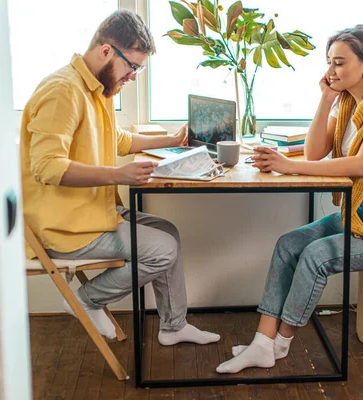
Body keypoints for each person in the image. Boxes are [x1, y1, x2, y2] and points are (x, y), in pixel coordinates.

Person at [216, 25, 363, 374]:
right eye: (329, 62)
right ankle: (262, 344)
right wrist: (326, 98)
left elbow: (362, 164)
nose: (331, 71)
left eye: (339, 63)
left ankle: (280, 344)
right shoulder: (349, 100)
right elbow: (316, 152)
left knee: (318, 255)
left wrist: (289, 165)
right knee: (290, 244)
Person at [20, 10, 220, 346]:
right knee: (163, 249)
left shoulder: (95, 89)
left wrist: (170, 141)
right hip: (64, 227)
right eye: (133, 66)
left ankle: (174, 326)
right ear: (106, 51)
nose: (134, 76)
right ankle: (85, 299)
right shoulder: (62, 92)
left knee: (167, 232)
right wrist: (117, 174)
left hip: (91, 212)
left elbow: (117, 140)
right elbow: (48, 167)